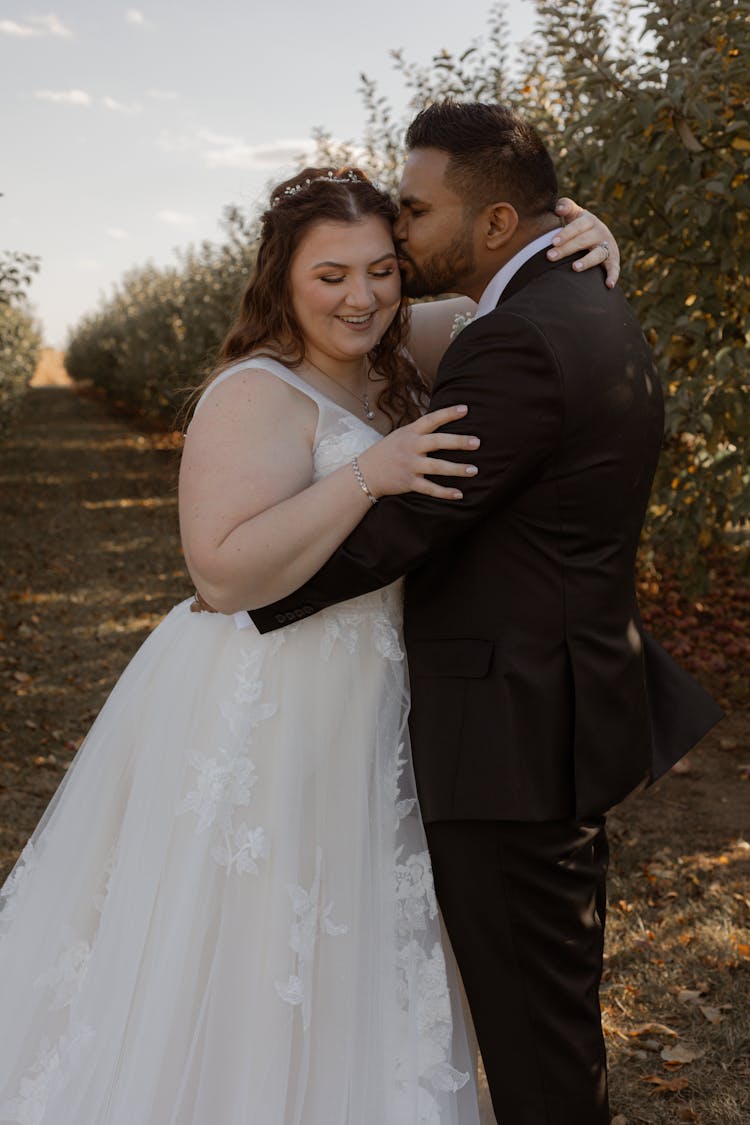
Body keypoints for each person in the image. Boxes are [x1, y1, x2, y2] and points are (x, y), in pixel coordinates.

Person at [0, 161, 619, 1124]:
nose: (361, 298)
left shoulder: (401, 342)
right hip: (262, 695)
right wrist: (367, 474)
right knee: (252, 942)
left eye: (381, 270)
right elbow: (222, 573)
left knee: (356, 939)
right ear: (283, 277)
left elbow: (517, 293)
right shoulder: (253, 393)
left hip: (370, 695)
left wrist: (589, 237)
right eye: (330, 276)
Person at [246, 105, 725, 1125]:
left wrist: (248, 586)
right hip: (550, 711)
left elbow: (418, 521)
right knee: (543, 1018)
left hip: (509, 739)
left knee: (539, 1051)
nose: (399, 230)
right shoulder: (580, 299)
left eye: (415, 212)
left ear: (500, 224)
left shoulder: (521, 336)